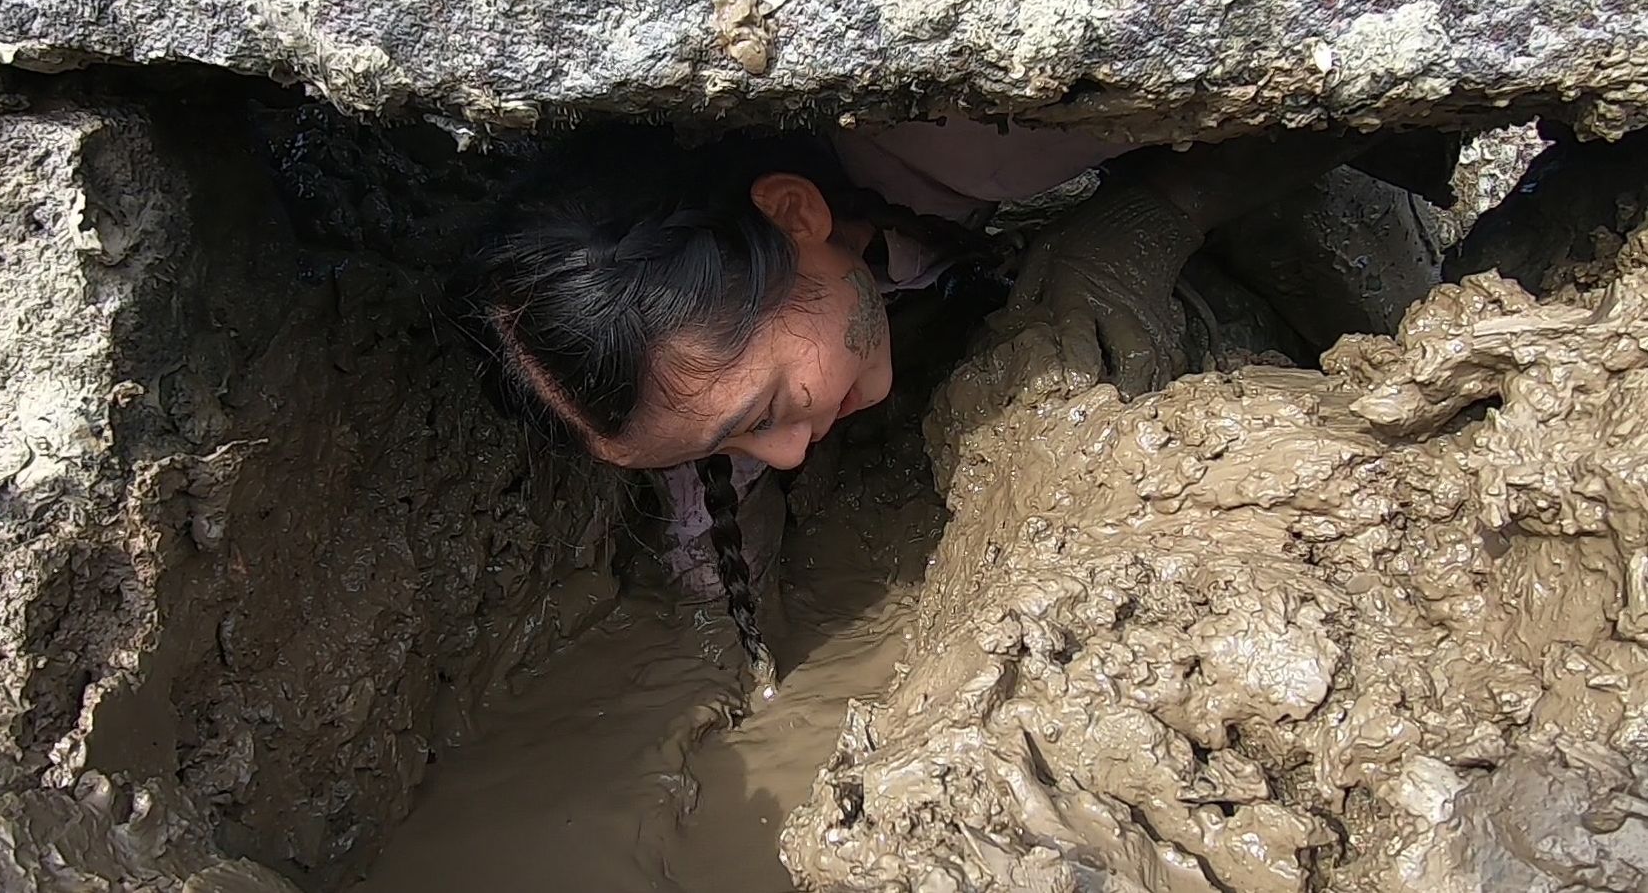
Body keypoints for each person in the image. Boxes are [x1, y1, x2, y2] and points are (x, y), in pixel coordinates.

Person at [451, 117, 1379, 673]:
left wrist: (1153, 217)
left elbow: (1334, 88)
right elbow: (716, 521)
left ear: (794, 214)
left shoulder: (973, 139)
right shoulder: (702, 386)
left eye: (767, 410)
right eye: (715, 448)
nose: (786, 454)